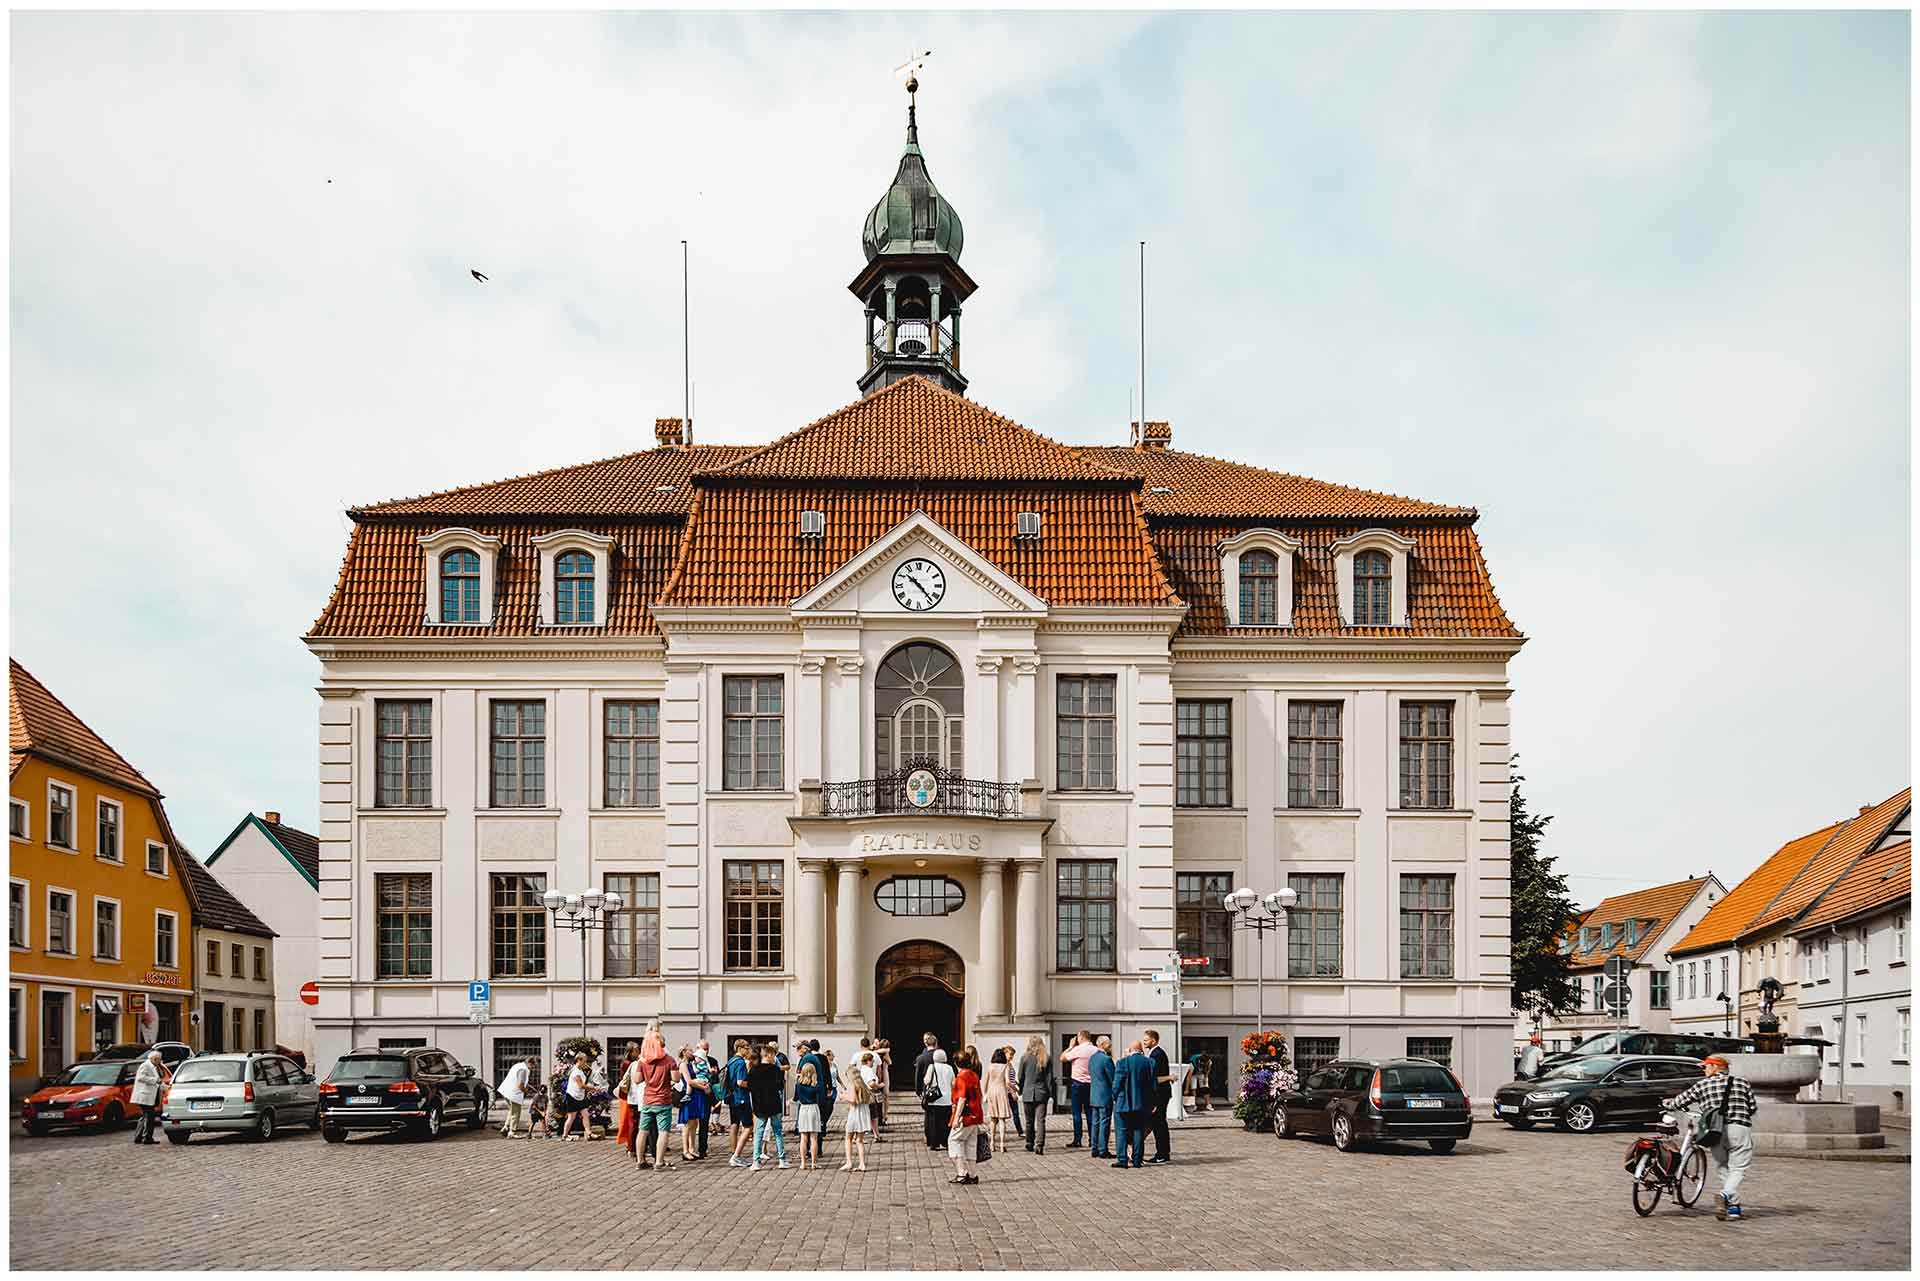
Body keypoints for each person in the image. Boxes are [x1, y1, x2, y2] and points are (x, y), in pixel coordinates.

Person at [1666, 1055, 1758, 1221]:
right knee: (1738, 1168)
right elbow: (1752, 1107)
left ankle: (1734, 1207)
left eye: (1706, 1067)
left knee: (1723, 1166)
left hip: (1714, 1131)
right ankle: (1726, 1196)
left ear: (1715, 1067)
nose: (1704, 1070)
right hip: (1739, 1128)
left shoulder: (1702, 1085)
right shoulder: (1742, 1082)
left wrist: (1668, 1104)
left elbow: (1679, 1101)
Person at [632, 1029, 678, 1171]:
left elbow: (637, 1080)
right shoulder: (669, 1060)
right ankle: (658, 1162)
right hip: (663, 1100)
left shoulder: (642, 1061)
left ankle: (640, 1161)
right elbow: (676, 1078)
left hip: (648, 1100)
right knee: (663, 1131)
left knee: (643, 1130)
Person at [1111, 1040, 1154, 1169]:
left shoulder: (1122, 1062)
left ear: (1130, 1050)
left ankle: (1122, 1160)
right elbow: (1152, 1086)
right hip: (1142, 1103)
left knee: (1121, 1131)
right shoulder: (1149, 1063)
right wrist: (1152, 1102)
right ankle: (1137, 1160)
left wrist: (1114, 1096)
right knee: (1138, 1131)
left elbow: (1117, 1084)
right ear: (1141, 1050)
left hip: (1123, 1103)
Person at [747, 1045, 791, 1170]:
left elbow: (750, 1087)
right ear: (768, 1055)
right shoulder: (776, 1070)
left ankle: (756, 1161)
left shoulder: (754, 1070)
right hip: (774, 1104)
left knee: (759, 1133)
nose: (774, 1057)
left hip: (760, 1105)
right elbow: (780, 1086)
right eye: (773, 1054)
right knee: (777, 1132)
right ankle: (782, 1160)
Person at [946, 1046, 985, 1185]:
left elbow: (962, 1098)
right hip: (975, 1114)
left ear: (956, 1063)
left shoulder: (961, 1078)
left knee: (953, 1141)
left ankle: (961, 1173)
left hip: (965, 1116)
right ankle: (973, 1175)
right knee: (970, 1144)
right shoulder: (973, 1075)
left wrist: (956, 1118)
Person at [1016, 1034, 1056, 1154]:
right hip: (1041, 1093)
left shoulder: (1024, 1057)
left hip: (1028, 1093)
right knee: (1041, 1121)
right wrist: (1049, 1093)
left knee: (1029, 1121)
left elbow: (1020, 1076)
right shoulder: (1046, 1058)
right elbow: (1049, 1078)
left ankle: (1029, 1142)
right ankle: (1039, 1145)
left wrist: (1021, 1090)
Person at [1059, 1029, 1099, 1148]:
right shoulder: (1095, 1050)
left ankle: (1078, 1139)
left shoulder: (1077, 1050)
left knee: (1077, 1113)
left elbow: (1062, 1058)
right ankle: (1093, 1139)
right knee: (1090, 1113)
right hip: (1091, 1084)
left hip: (1077, 1084)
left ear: (1080, 1037)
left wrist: (1070, 1047)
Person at [840, 1051, 875, 1171]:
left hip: (855, 1114)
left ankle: (849, 1162)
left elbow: (853, 1100)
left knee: (848, 1138)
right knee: (859, 1140)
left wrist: (843, 1097)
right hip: (863, 1114)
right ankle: (862, 1164)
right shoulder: (863, 1085)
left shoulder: (852, 1085)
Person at [725, 1038, 756, 1167]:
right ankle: (736, 1156)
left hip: (733, 1097)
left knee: (734, 1124)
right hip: (741, 1097)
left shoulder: (731, 1061)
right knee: (748, 1127)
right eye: (746, 1047)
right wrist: (753, 1085)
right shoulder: (740, 1063)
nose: (748, 1049)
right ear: (739, 1048)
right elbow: (740, 1082)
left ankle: (734, 1152)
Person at [1143, 1029, 1173, 1164]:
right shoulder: (1155, 1053)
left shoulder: (1156, 1055)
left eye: (1146, 1040)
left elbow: (1154, 1078)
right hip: (1162, 1093)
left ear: (1153, 1041)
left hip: (1159, 1094)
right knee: (1159, 1123)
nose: (1144, 1042)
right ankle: (1163, 1152)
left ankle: (1162, 1154)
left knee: (1159, 1124)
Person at [678, 1045, 712, 1161]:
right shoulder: (683, 1065)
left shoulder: (691, 1064)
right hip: (690, 1096)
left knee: (694, 1123)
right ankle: (685, 1150)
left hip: (696, 1096)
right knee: (687, 1124)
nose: (693, 1052)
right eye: (690, 1051)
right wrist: (703, 1087)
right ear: (684, 1052)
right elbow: (689, 1081)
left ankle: (692, 1149)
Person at [130, 1050, 170, 1144]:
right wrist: (155, 1080)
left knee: (145, 1116)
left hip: (149, 1096)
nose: (160, 1061)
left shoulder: (153, 1066)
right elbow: (141, 1077)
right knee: (149, 1116)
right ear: (154, 1059)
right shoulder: (145, 1065)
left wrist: (167, 1088)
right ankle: (147, 1138)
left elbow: (159, 1082)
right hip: (145, 1095)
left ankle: (139, 1137)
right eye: (159, 1060)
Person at [1087, 1035, 1116, 1159]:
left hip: (1094, 1094)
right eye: (1109, 1044)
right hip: (1105, 1095)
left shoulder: (1092, 1058)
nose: (1110, 1046)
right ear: (1103, 1044)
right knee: (1104, 1122)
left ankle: (1094, 1148)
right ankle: (1103, 1149)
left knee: (1095, 1123)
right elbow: (1113, 1079)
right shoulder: (1106, 1059)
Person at [983, 1046, 1016, 1154]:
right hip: (1002, 1092)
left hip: (992, 1092)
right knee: (1002, 1119)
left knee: (993, 1119)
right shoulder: (1005, 1066)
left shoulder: (990, 1066)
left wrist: (985, 1094)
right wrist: (1014, 1089)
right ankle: (1002, 1144)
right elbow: (1007, 1082)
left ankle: (992, 1143)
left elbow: (985, 1082)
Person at [923, 1048, 956, 1150]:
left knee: (934, 1123)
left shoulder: (931, 1067)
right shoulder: (949, 1068)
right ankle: (945, 1142)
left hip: (935, 1099)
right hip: (947, 1099)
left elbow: (927, 1081)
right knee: (946, 1122)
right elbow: (953, 1082)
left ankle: (934, 1143)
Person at [794, 1060, 825, 1170]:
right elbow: (822, 1098)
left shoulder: (798, 1084)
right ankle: (813, 1162)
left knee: (803, 1138)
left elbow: (795, 1098)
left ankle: (803, 1163)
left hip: (803, 1109)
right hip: (813, 1108)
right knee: (813, 1138)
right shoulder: (817, 1085)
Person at [498, 1054, 537, 1138]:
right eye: (533, 1066)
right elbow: (520, 1084)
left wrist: (529, 1086)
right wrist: (527, 1092)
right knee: (516, 1112)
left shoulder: (518, 1065)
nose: (533, 1068)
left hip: (506, 1091)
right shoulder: (524, 1070)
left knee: (512, 1110)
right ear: (530, 1063)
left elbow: (517, 1079)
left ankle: (505, 1127)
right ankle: (512, 1132)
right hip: (514, 1093)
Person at [559, 1052, 593, 1142]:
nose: (585, 1063)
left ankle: (589, 1133)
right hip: (573, 1096)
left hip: (580, 1096)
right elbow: (581, 1085)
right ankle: (565, 1135)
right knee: (571, 1117)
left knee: (585, 1114)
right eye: (584, 1061)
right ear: (579, 1060)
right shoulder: (575, 1072)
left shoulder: (580, 1069)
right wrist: (593, 1089)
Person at [695, 1039, 721, 1158]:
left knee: (704, 1122)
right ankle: (690, 1148)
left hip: (707, 1094)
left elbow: (717, 1079)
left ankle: (702, 1149)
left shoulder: (712, 1060)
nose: (705, 1051)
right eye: (703, 1049)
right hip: (695, 1094)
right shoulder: (693, 1060)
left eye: (707, 1049)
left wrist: (714, 1074)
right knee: (691, 1123)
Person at [612, 1041, 639, 1152]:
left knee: (630, 1121)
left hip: (627, 1095)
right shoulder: (628, 1063)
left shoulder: (628, 1062)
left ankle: (631, 1144)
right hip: (628, 1095)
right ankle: (631, 1146)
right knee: (629, 1122)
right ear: (631, 1052)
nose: (638, 1052)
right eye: (636, 1051)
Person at [1002, 1045, 1024, 1140]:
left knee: (1015, 1113)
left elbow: (1011, 1080)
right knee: (1007, 1113)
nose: (1011, 1056)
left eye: (1012, 1055)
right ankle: (1020, 1132)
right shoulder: (1005, 1065)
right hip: (1007, 1093)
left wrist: (1017, 1085)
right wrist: (1014, 1092)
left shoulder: (1009, 1064)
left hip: (1010, 1091)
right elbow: (1007, 1082)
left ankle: (1020, 1131)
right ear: (1005, 1054)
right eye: (1010, 1054)